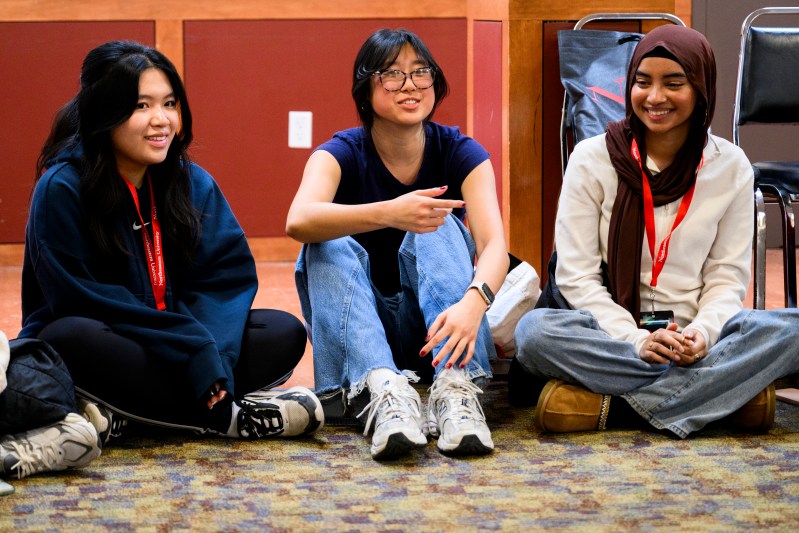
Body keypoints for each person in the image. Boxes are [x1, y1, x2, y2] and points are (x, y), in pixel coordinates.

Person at [20, 41, 323, 447]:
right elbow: (80, 298)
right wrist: (189, 345)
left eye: (170, 103)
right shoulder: (62, 187)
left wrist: (209, 352)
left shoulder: (191, 182)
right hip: (112, 336)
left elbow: (223, 280)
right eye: (141, 106)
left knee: (284, 331)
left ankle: (128, 414)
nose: (161, 120)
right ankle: (222, 418)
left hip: (180, 339)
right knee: (68, 335)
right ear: (104, 111)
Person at [510, 25, 799, 437]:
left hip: (695, 342)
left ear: (701, 88)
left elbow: (726, 278)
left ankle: (609, 408)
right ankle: (723, 399)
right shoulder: (592, 159)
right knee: (535, 334)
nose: (655, 97)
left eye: (674, 83)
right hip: (612, 336)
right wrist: (635, 341)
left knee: (794, 331)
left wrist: (701, 333)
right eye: (642, 83)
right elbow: (577, 278)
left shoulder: (730, 166)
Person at [286, 29, 508, 459]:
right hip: (361, 337)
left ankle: (456, 392)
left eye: (420, 72)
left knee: (439, 221)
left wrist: (474, 302)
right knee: (323, 242)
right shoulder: (339, 153)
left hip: (440, 333)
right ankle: (386, 391)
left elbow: (495, 243)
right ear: (365, 91)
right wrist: (389, 211)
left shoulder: (463, 152)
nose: (410, 85)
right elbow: (298, 220)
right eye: (391, 75)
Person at [1, 331, 101, 479]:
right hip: (38, 367)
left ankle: (57, 425)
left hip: (33, 374)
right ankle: (51, 428)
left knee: (65, 330)